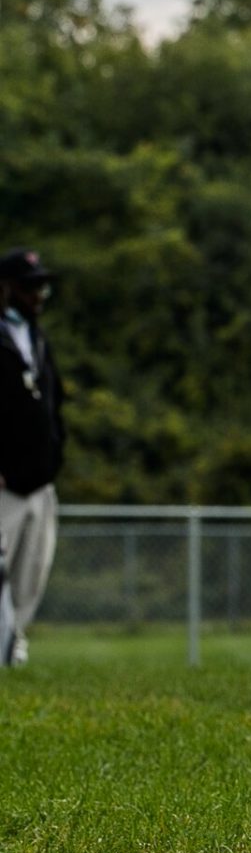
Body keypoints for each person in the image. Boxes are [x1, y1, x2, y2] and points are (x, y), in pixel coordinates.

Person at [0, 247, 65, 667]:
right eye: (28, 287)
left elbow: (54, 404)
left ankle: (12, 643)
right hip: (4, 483)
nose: (37, 295)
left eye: (41, 286)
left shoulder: (36, 340)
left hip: (39, 481)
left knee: (31, 573)